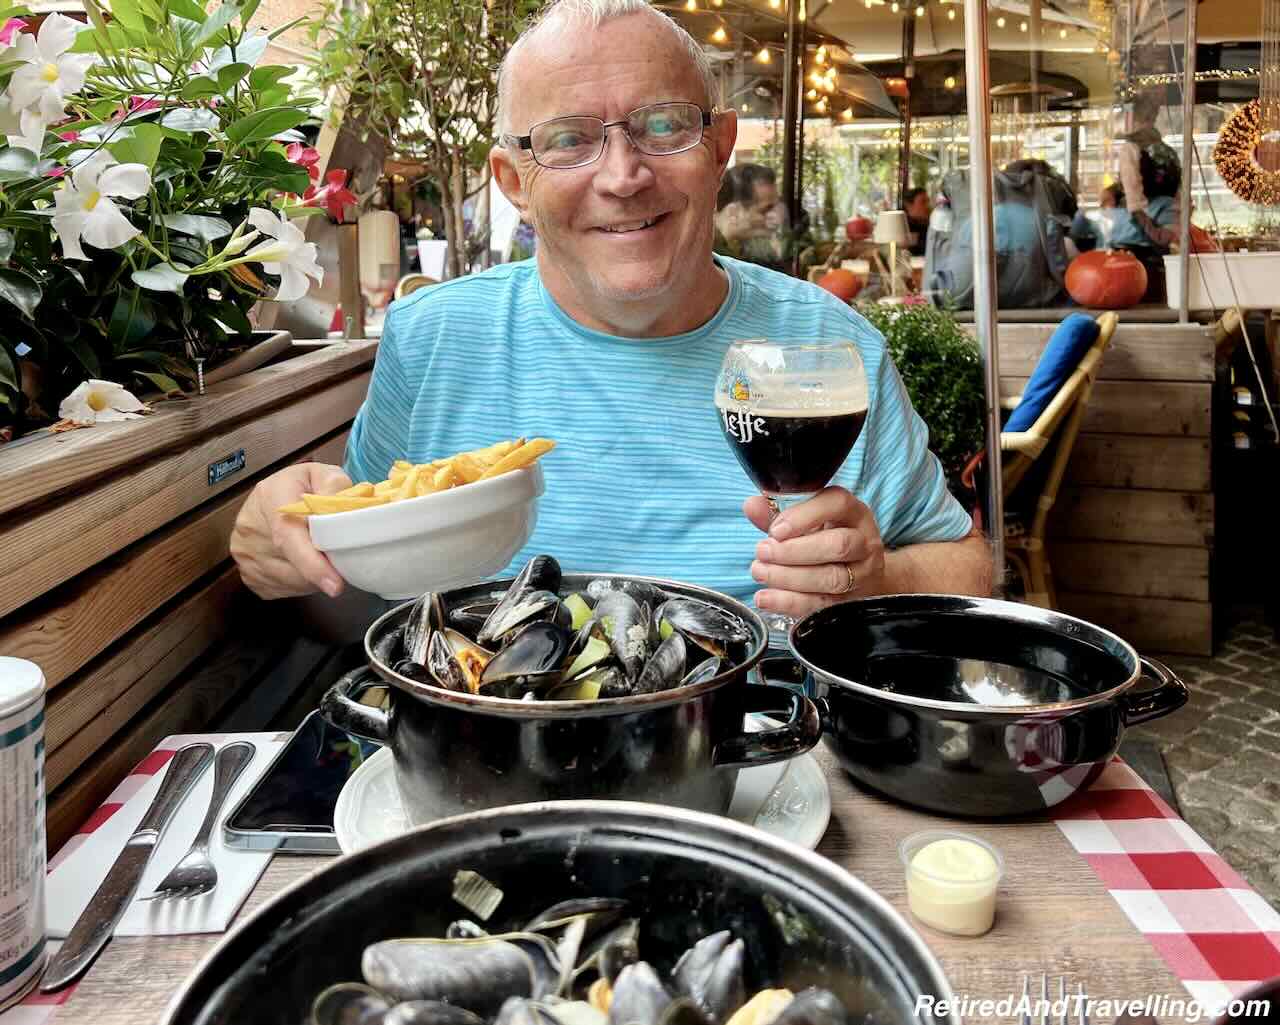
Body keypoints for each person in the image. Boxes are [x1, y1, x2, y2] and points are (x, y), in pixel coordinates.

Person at [230, 0, 991, 621]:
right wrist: (278, 536)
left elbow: (970, 568)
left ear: (719, 145)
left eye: (663, 126)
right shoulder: (432, 339)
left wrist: (877, 578)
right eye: (568, 141)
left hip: (769, 757)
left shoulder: (829, 345)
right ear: (512, 179)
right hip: (496, 759)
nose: (623, 176)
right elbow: (350, 549)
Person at [715, 163, 789, 271]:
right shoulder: (710, 261)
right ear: (733, 213)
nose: (778, 218)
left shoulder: (745, 249)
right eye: (766, 210)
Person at [902, 187, 931, 258]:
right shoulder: (902, 227)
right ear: (908, 205)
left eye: (928, 201)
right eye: (923, 202)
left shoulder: (929, 225)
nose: (928, 206)